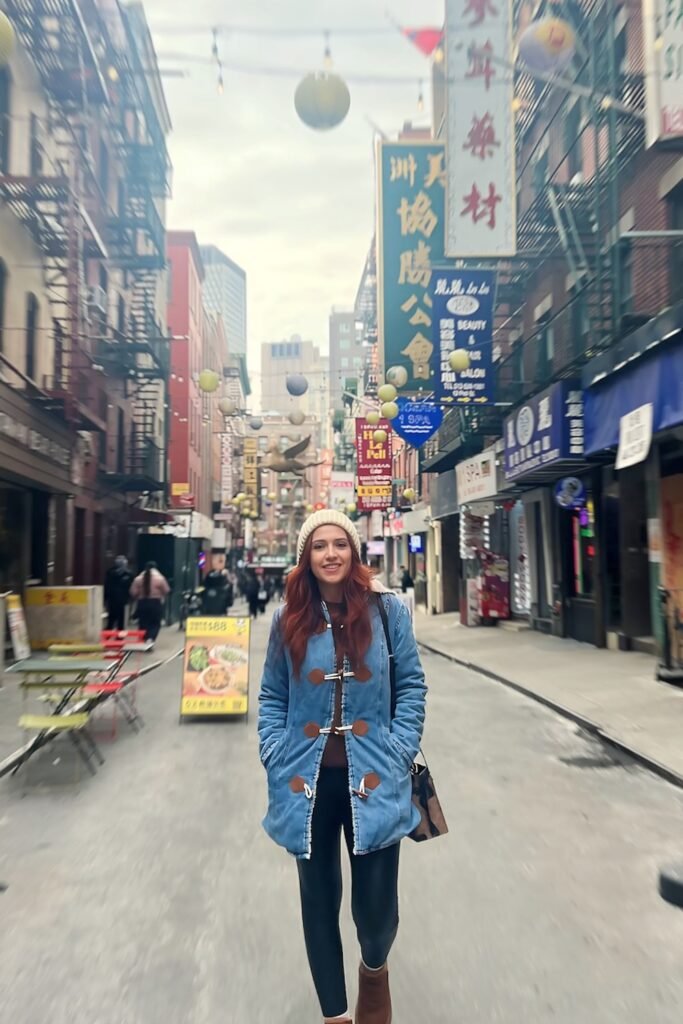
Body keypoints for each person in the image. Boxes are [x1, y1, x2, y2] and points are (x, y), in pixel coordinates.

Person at [258, 510, 427, 1024]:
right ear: (306, 558)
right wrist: (273, 750)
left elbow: (411, 685)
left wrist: (399, 750)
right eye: (319, 546)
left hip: (374, 778)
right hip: (306, 782)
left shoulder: (387, 611)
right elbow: (272, 695)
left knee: (376, 916)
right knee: (318, 901)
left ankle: (374, 970)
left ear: (353, 552)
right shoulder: (287, 618)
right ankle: (334, 1015)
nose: (330, 554)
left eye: (339, 544)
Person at [129, 561, 170, 641]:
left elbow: (133, 592)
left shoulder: (138, 579)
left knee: (143, 623)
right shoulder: (160, 578)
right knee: (155, 623)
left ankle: (143, 639)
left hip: (142, 603)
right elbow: (166, 590)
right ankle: (150, 638)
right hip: (155, 603)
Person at [104, 555, 133, 631]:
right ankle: (117, 634)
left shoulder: (111, 572)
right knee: (119, 619)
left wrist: (105, 598)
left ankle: (110, 633)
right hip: (119, 599)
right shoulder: (128, 574)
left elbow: (107, 585)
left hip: (115, 599)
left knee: (113, 618)